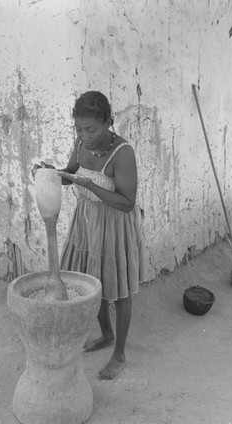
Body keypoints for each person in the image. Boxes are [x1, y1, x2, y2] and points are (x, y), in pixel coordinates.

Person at [37, 91, 147, 380]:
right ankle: (106, 334)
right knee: (91, 282)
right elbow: (70, 174)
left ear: (108, 123)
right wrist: (51, 173)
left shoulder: (122, 153)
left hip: (114, 225)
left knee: (119, 290)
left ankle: (119, 355)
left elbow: (127, 202)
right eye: (79, 128)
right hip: (86, 223)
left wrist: (92, 186)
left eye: (91, 129)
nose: (84, 135)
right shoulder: (81, 144)